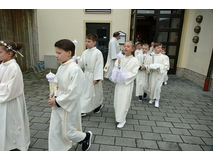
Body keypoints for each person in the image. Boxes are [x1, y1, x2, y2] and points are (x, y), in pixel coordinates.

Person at [48, 39, 92, 151]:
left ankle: (85, 136)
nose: (56, 55)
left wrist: (58, 100)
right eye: (56, 52)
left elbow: (74, 92)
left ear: (69, 53)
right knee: (57, 129)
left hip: (69, 105)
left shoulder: (75, 69)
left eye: (59, 53)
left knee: (68, 131)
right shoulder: (62, 66)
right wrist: (54, 93)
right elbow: (58, 83)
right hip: (59, 103)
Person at [0, 40, 30, 151]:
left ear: (10, 53)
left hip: (12, 101)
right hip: (3, 100)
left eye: (0, 52)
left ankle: (15, 143)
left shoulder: (14, 68)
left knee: (13, 122)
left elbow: (12, 89)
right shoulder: (2, 65)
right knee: (4, 123)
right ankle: (6, 142)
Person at [110, 41, 139, 128]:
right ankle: (118, 116)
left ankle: (122, 119)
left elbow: (134, 73)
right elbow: (115, 67)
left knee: (124, 101)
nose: (125, 48)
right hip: (119, 84)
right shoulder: (120, 58)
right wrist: (116, 73)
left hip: (126, 84)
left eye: (128, 46)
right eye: (125, 46)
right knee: (117, 101)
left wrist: (124, 76)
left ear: (132, 49)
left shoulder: (134, 60)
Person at [78, 33, 104, 117]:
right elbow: (81, 64)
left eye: (89, 41)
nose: (86, 43)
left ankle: (98, 105)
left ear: (94, 42)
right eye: (86, 41)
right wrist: (75, 62)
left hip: (94, 75)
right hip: (86, 75)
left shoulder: (98, 53)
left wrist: (97, 78)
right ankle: (83, 109)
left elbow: (99, 65)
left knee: (96, 93)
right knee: (86, 93)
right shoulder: (84, 52)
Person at [145, 43, 169, 108]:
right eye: (158, 47)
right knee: (152, 86)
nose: (160, 49)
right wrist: (150, 66)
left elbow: (166, 66)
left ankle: (157, 100)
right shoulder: (150, 56)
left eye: (160, 47)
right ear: (154, 48)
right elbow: (146, 64)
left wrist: (159, 66)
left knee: (158, 87)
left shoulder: (164, 57)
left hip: (159, 74)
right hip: (153, 74)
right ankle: (152, 98)